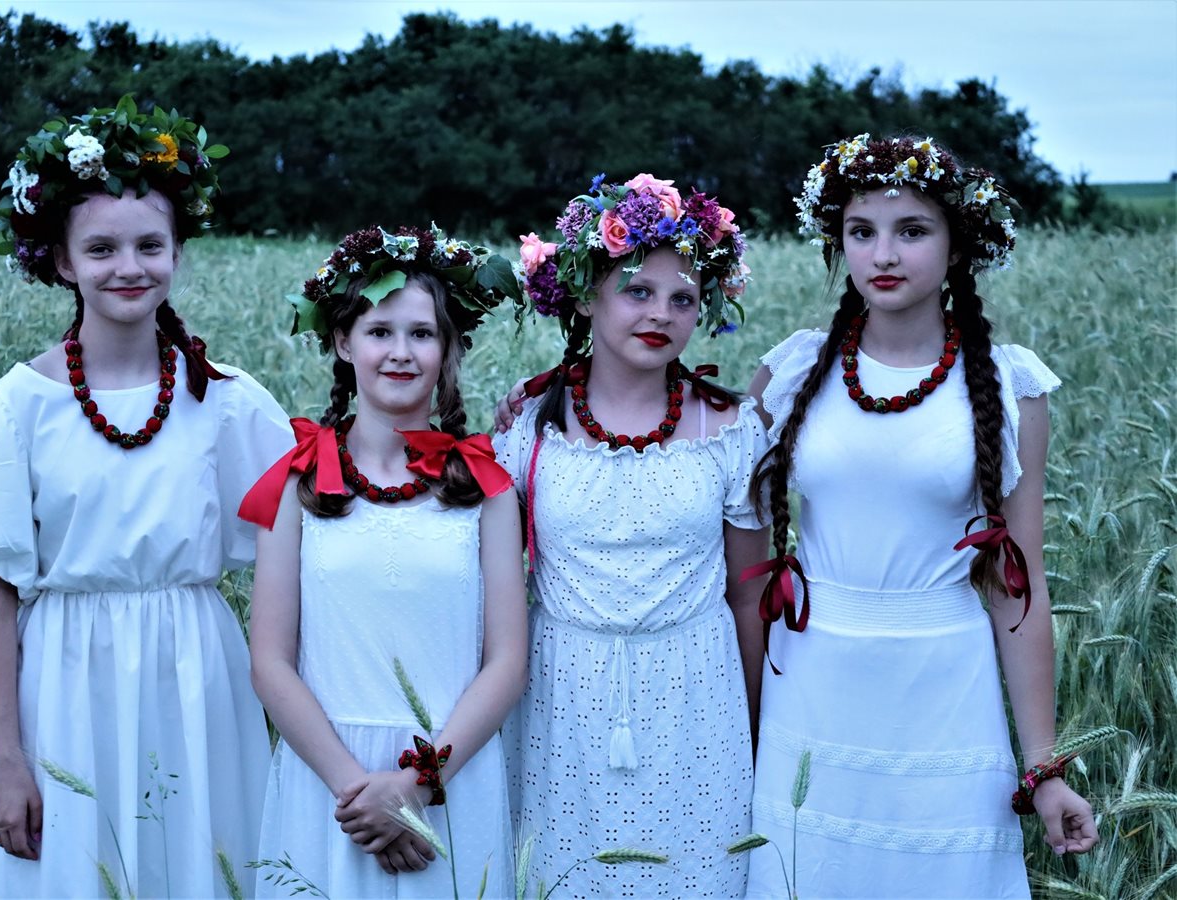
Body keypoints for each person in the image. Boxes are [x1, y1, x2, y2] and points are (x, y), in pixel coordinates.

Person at [0, 96, 294, 898]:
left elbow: (308, 539)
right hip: (62, 688)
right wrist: (7, 759)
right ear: (61, 261)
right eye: (101, 248)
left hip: (196, 678)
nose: (129, 266)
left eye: (149, 245)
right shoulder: (17, 408)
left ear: (177, 252)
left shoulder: (227, 400)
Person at [743, 134, 1098, 898]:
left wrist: (1042, 768)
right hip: (810, 681)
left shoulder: (1008, 387)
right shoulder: (793, 370)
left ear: (956, 244)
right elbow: (697, 478)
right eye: (860, 231)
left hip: (945, 687)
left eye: (911, 230)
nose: (882, 254)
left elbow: (1018, 588)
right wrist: (551, 400)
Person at [493, 174, 770, 896]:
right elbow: (495, 586)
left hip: (697, 698)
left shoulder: (731, 429)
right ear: (587, 296)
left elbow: (750, 597)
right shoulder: (529, 427)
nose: (661, 314)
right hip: (561, 695)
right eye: (637, 291)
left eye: (683, 299)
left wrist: (753, 724)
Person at [240, 225, 527, 898]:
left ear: (447, 347)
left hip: (449, 776)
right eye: (379, 332)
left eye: (422, 334)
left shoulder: (485, 488)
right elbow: (270, 662)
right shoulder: (296, 483)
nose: (401, 352)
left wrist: (416, 787)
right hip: (328, 781)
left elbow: (507, 662)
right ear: (344, 341)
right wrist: (360, 793)